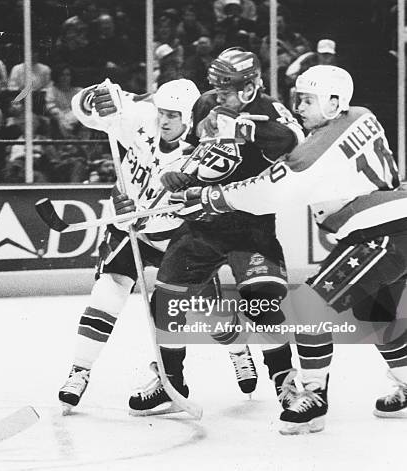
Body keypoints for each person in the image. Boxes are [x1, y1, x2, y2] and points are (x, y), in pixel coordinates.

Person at [172, 65, 407, 433]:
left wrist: (210, 196)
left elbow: (270, 191)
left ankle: (312, 398)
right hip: (394, 222)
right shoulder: (363, 116)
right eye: (297, 97)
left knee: (307, 305)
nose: (299, 105)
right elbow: (297, 145)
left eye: (308, 100)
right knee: (376, 311)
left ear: (334, 103)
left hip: (380, 232)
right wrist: (244, 128)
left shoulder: (316, 151)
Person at [129, 47, 304, 415]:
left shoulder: (271, 109)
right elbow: (197, 152)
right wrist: (181, 173)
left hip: (250, 225)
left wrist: (243, 126)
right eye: (218, 89)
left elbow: (293, 143)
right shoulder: (208, 105)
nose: (219, 97)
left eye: (227, 90)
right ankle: (171, 383)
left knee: (262, 306)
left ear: (250, 86)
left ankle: (286, 383)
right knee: (164, 301)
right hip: (204, 223)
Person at [58, 78, 205, 413]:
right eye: (162, 112)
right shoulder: (142, 118)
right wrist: (92, 98)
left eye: (173, 115)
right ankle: (78, 372)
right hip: (131, 231)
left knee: (186, 309)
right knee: (106, 294)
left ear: (190, 119)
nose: (164, 120)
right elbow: (83, 110)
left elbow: (198, 205)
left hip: (175, 234)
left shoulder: (200, 151)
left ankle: (237, 353)